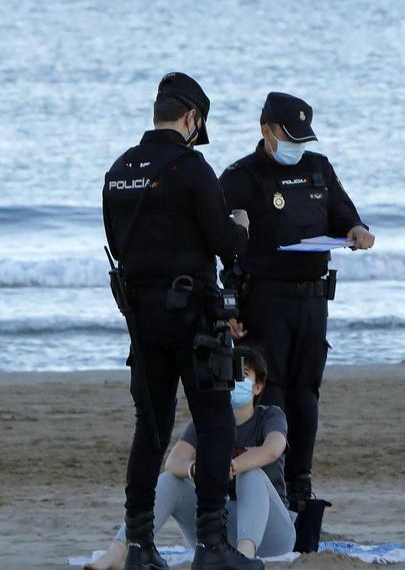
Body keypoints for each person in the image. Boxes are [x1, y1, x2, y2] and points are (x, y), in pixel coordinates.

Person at [101, 72, 260, 570]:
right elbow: (223, 242)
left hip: (141, 321)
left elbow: (119, 243)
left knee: (149, 428)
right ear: (191, 118)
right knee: (213, 425)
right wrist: (240, 224)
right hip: (193, 322)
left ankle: (139, 547)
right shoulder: (191, 168)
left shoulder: (118, 170)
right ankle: (212, 546)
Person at [220, 92, 374, 510]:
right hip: (264, 302)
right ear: (265, 131)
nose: (297, 147)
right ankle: (269, 479)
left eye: (302, 139)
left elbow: (344, 214)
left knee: (307, 392)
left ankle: (300, 482)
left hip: (312, 302)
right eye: (289, 137)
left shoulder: (318, 169)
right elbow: (218, 245)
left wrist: (357, 229)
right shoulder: (240, 176)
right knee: (271, 392)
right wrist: (228, 308)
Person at [85, 348, 295, 569]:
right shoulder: (205, 421)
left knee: (250, 473)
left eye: (242, 373)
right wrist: (195, 469)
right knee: (169, 480)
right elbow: (173, 462)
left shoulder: (269, 416)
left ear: (258, 386)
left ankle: (245, 555)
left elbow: (273, 449)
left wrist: (231, 466)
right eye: (229, 373)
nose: (235, 380)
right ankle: (119, 550)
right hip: (219, 530)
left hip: (272, 532)